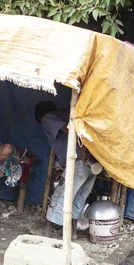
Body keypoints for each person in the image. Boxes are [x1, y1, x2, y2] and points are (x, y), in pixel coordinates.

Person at [35, 101, 97, 239]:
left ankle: (47, 230)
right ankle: (72, 233)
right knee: (79, 197)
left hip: (79, 161)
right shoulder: (70, 116)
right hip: (93, 162)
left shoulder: (48, 118)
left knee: (61, 194)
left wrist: (83, 149)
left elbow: (68, 132)